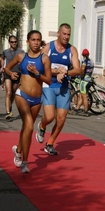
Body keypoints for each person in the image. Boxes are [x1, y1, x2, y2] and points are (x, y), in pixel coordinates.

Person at [5, 30, 52, 173]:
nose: (36, 42)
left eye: (38, 40)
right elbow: (7, 67)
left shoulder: (44, 59)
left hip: (37, 99)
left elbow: (48, 80)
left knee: (26, 128)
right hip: (22, 95)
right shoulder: (21, 56)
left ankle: (18, 150)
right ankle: (25, 162)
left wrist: (38, 74)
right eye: (33, 39)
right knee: (30, 126)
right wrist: (11, 73)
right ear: (27, 41)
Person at [35, 23, 81, 155]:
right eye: (64, 34)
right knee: (49, 117)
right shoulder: (49, 47)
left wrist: (65, 73)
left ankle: (49, 143)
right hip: (49, 85)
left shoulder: (72, 50)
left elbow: (77, 70)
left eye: (68, 35)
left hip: (63, 88)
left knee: (61, 119)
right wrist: (56, 71)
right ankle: (42, 126)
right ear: (58, 33)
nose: (66, 37)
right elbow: (40, 65)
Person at [1, 35, 25, 120]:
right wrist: (2, 67)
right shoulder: (5, 51)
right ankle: (7, 112)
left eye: (15, 42)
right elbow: (2, 59)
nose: (14, 43)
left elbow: (24, 60)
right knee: (8, 92)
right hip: (8, 73)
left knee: (13, 93)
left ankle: (9, 106)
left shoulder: (21, 51)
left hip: (17, 73)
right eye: (12, 42)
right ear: (9, 43)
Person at [75, 49, 94, 117]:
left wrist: (81, 75)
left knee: (84, 96)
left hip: (84, 81)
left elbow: (82, 69)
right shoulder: (91, 61)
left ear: (82, 55)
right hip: (89, 80)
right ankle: (77, 108)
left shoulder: (84, 61)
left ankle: (86, 111)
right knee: (82, 95)